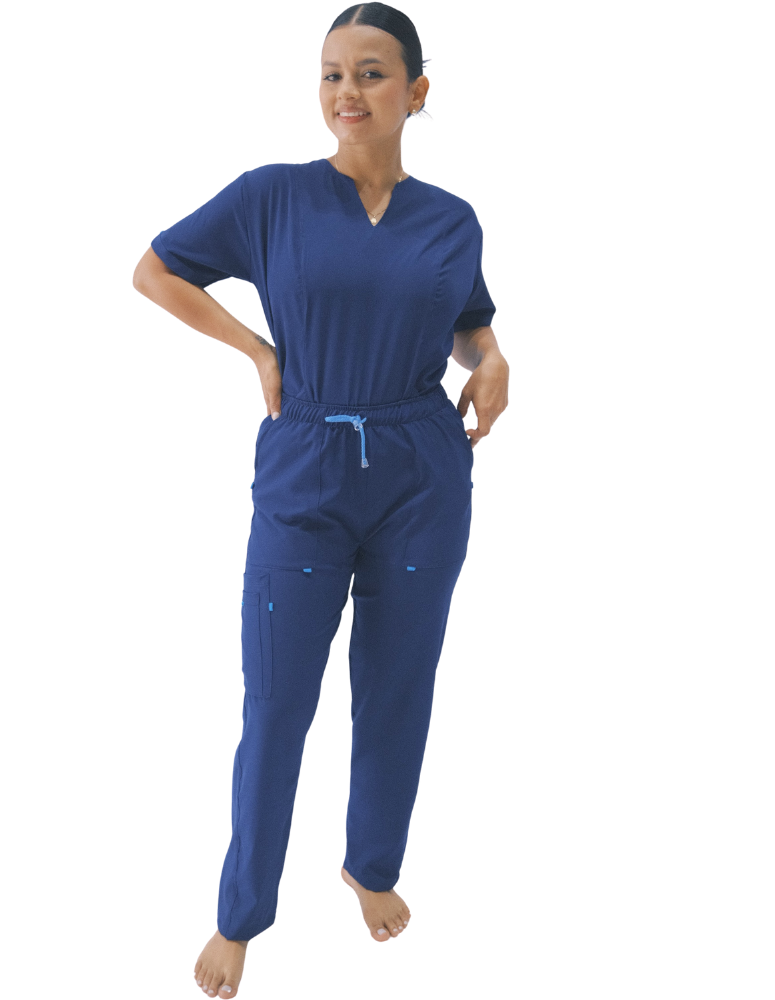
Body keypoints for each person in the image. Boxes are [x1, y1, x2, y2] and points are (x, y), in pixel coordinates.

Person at [132, 4, 509, 996]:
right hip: (306, 464)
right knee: (278, 700)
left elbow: (467, 319)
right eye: (333, 73)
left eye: (372, 73)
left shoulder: (451, 219)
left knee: (398, 683)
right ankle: (241, 913)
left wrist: (492, 357)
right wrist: (257, 351)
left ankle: (370, 866)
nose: (348, 92)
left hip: (422, 470)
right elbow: (155, 270)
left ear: (416, 92)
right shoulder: (274, 198)